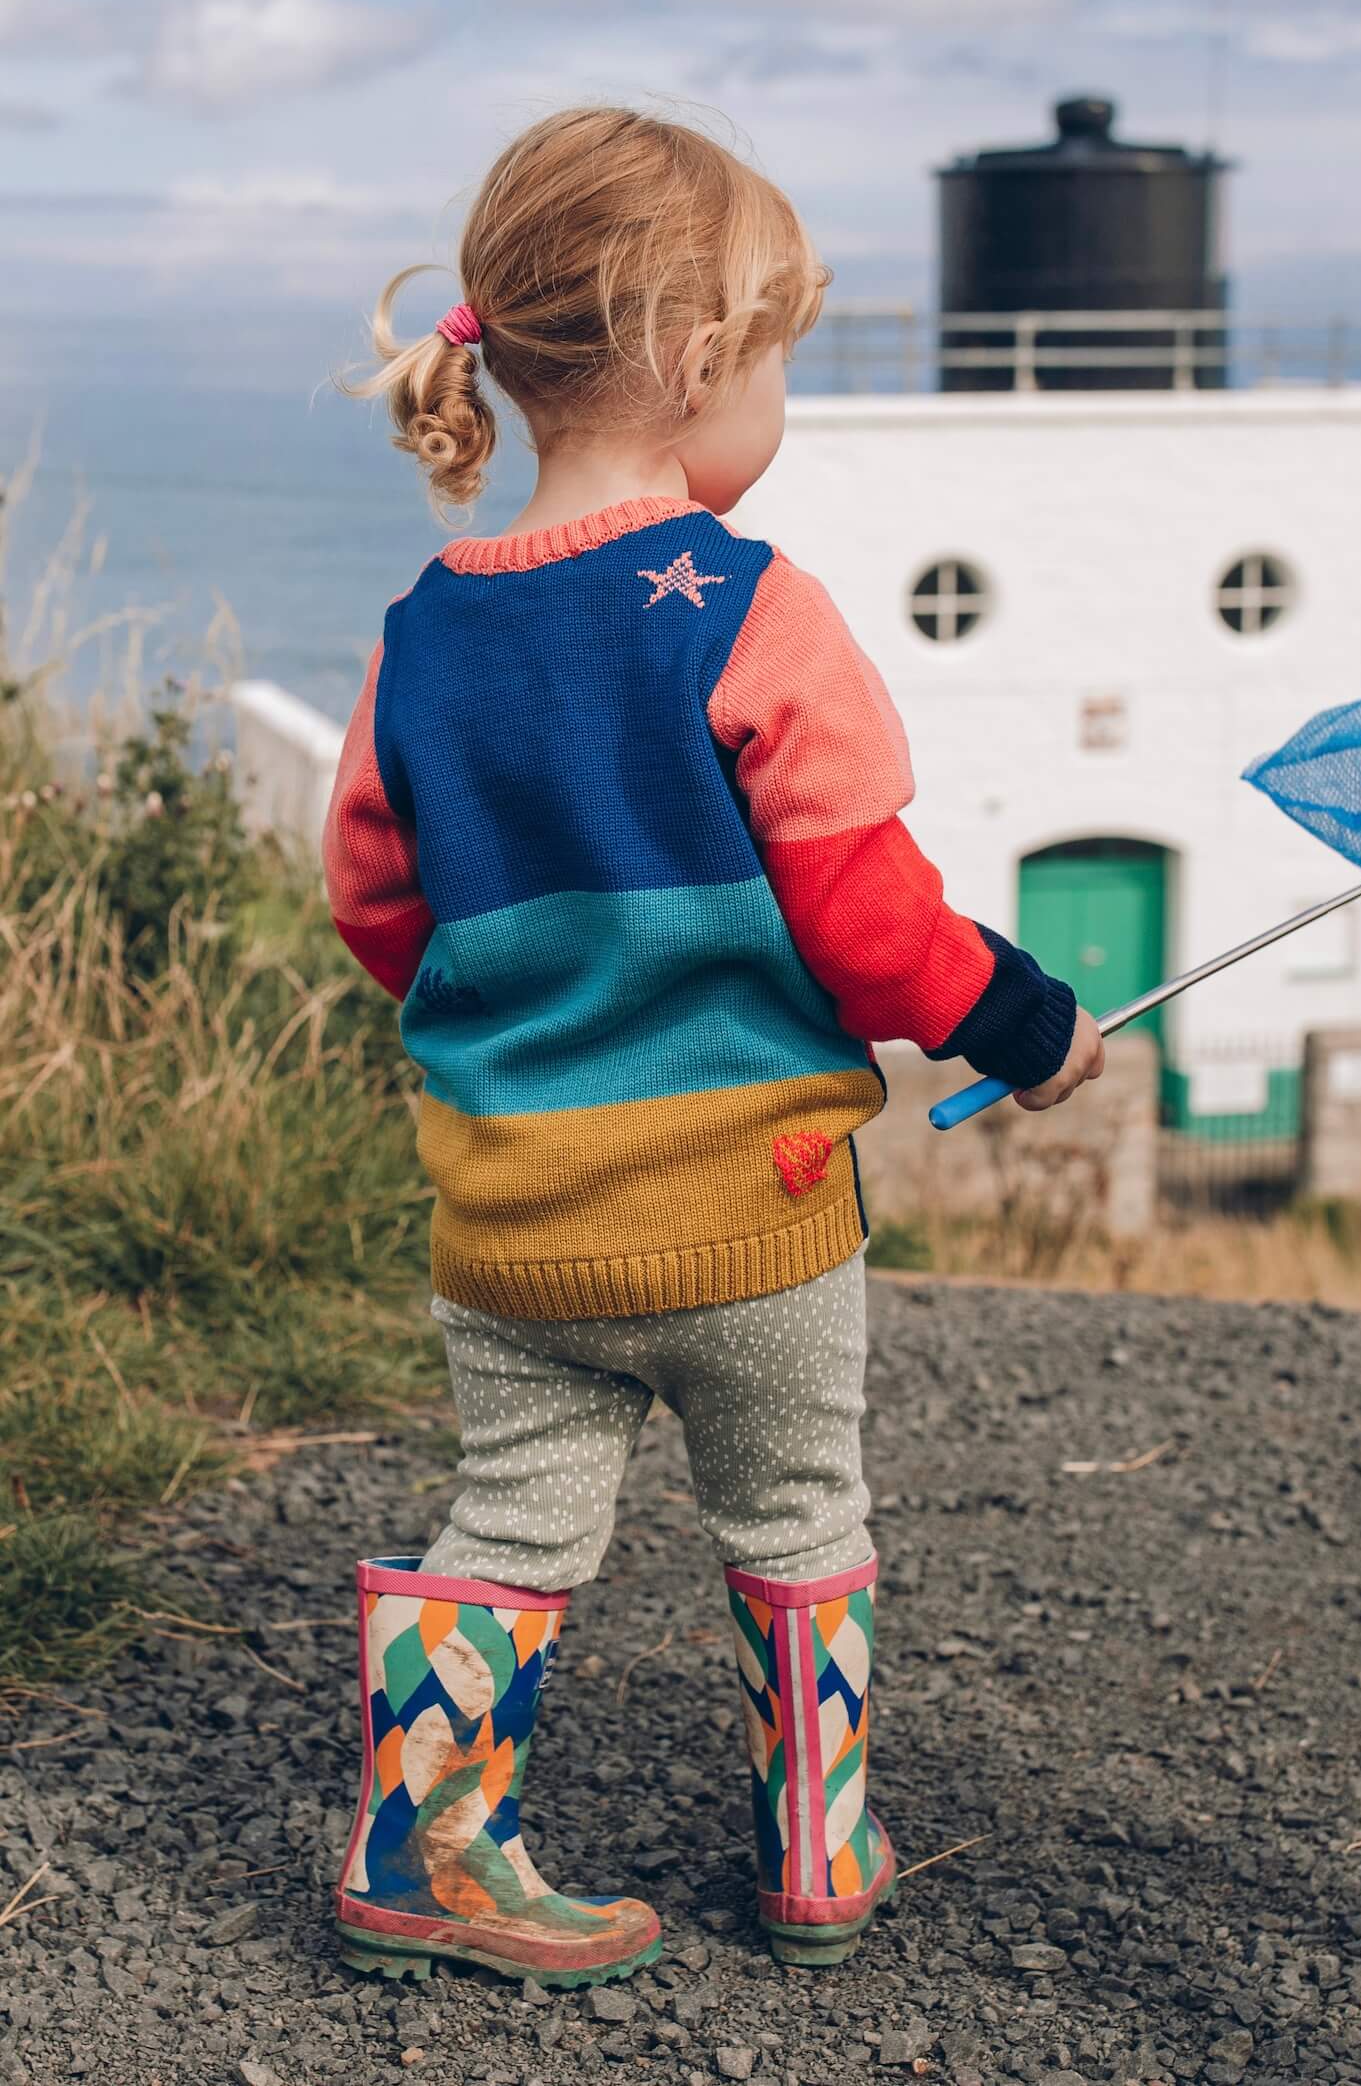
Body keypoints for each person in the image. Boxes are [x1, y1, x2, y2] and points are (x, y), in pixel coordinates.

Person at [320, 106, 1104, 1989]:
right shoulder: (751, 608)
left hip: (514, 1229)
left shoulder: (421, 639)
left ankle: (427, 1853)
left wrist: (531, 1009)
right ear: (689, 363)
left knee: (511, 1524)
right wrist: (1030, 1020)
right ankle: (818, 1845)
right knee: (797, 1512)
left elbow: (376, 908)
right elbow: (864, 913)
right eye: (772, 364)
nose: (775, 408)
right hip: (752, 1215)